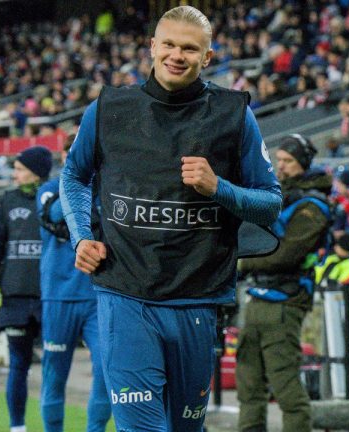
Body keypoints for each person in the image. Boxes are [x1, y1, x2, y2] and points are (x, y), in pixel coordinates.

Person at [59, 6, 282, 431]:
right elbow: (73, 175)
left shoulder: (234, 115)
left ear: (207, 57)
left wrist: (219, 188)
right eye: (169, 45)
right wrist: (81, 236)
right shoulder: (108, 108)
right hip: (125, 294)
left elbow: (270, 202)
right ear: (152, 47)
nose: (177, 55)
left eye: (189, 48)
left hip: (196, 298)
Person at [236, 134, 332, 431]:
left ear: (303, 163)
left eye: (288, 161)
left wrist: (242, 263)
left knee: (287, 387)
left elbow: (287, 254)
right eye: (278, 160)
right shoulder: (278, 195)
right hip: (258, 296)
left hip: (285, 300)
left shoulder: (312, 206)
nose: (281, 167)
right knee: (248, 387)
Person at [36, 136, 111, 432]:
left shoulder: (110, 187)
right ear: (64, 155)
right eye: (72, 152)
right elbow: (56, 215)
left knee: (106, 373)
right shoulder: (48, 190)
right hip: (58, 296)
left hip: (98, 295)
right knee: (54, 375)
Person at [0, 146, 51, 432]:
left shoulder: (57, 197)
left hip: (50, 297)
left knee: (54, 367)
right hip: (16, 297)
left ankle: (51, 425)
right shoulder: (8, 201)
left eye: (19, 169)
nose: (14, 174)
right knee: (18, 365)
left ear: (36, 172)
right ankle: (17, 427)